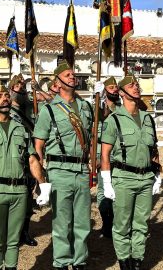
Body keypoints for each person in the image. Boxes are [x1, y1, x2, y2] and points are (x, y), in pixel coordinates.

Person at [0, 84, 50, 270]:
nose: (4, 99)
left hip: (20, 192)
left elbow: (32, 160)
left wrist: (43, 185)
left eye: (6, 95)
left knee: (13, 240)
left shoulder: (21, 129)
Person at [33, 61, 94, 270]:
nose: (72, 77)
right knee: (62, 223)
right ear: (57, 83)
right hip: (59, 170)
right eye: (67, 75)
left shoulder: (86, 107)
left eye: (73, 74)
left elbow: (91, 139)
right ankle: (61, 262)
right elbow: (38, 145)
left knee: (83, 222)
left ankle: (79, 262)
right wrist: (40, 179)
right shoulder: (48, 110)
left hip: (81, 170)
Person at [100, 74, 161, 270]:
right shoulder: (113, 120)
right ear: (122, 92)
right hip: (123, 178)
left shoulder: (147, 118)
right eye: (131, 85)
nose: (136, 88)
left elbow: (154, 149)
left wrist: (157, 174)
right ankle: (125, 261)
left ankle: (137, 260)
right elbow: (105, 154)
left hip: (145, 178)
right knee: (122, 224)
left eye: (137, 85)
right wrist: (107, 183)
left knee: (142, 223)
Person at [7, 75, 38, 246]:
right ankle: (11, 233)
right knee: (12, 197)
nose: (21, 88)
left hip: (29, 158)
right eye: (17, 86)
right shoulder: (5, 110)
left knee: (27, 196)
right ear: (11, 90)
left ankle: (24, 232)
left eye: (23, 86)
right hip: (12, 159)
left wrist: (37, 88)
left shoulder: (29, 108)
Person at [94, 76, 121, 238]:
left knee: (118, 191)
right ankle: (106, 222)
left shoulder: (122, 108)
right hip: (102, 155)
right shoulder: (97, 108)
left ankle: (117, 222)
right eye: (111, 87)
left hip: (118, 156)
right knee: (103, 191)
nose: (115, 89)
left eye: (116, 87)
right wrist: (98, 97)